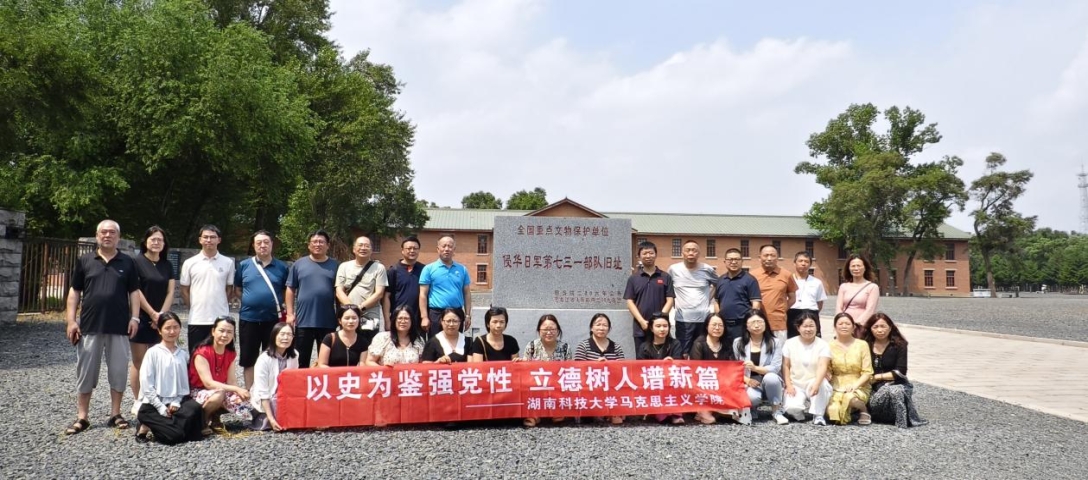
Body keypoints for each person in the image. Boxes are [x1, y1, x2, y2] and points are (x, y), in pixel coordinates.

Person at [64, 219, 141, 435]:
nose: (107, 235)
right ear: (97, 236)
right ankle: (82, 417)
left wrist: (135, 318)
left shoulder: (128, 262)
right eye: (103, 232)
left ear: (118, 237)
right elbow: (74, 292)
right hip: (89, 326)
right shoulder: (85, 261)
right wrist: (71, 320)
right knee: (85, 372)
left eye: (112, 232)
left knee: (118, 371)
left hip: (119, 326)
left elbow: (134, 292)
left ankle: (115, 414)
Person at [134, 312, 204, 445]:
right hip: (154, 404)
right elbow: (146, 383)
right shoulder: (153, 353)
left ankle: (159, 425)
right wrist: (160, 406)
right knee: (174, 437)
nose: (172, 331)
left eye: (175, 327)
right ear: (160, 330)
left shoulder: (183, 354)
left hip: (176, 403)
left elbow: (184, 384)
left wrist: (177, 401)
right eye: (167, 328)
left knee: (195, 412)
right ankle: (145, 426)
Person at [233, 230, 289, 388]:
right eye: (259, 243)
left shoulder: (282, 267)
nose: (262, 245)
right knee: (248, 358)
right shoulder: (244, 266)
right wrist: (250, 301)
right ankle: (251, 392)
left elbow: (286, 291)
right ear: (253, 245)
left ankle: (269, 391)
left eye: (266, 242)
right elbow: (238, 289)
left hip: (273, 319)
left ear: (272, 244)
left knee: (272, 357)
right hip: (248, 318)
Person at [131, 226, 175, 406]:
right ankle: (138, 400)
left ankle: (156, 399)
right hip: (141, 317)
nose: (156, 242)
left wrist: (161, 317)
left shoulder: (167, 265)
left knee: (158, 361)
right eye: (153, 239)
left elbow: (170, 292)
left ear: (164, 244)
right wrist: (152, 314)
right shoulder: (136, 262)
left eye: (160, 240)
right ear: (145, 241)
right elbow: (135, 290)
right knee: (140, 362)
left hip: (161, 321)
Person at [189, 316, 252, 434]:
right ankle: (202, 422)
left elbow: (232, 381)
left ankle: (215, 418)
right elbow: (208, 383)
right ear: (213, 331)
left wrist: (240, 393)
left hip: (219, 389)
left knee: (243, 399)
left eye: (229, 332)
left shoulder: (230, 353)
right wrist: (236, 389)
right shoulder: (202, 352)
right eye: (221, 331)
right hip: (199, 391)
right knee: (219, 395)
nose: (225, 335)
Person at [863, 313, 927, 428]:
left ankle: (901, 422)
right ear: (870, 329)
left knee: (895, 391)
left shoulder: (900, 345)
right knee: (886, 394)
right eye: (875, 327)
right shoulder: (864, 345)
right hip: (871, 388)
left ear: (890, 327)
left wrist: (876, 377)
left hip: (896, 383)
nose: (880, 330)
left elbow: (900, 371)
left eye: (883, 326)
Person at [286, 230, 339, 368]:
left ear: (328, 245)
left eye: (321, 242)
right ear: (309, 245)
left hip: (327, 321)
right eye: (314, 242)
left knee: (327, 361)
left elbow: (339, 292)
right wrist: (290, 314)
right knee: (301, 360)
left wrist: (340, 316)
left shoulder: (336, 266)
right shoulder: (299, 264)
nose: (318, 244)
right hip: (304, 321)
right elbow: (290, 289)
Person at [179, 224, 235, 352]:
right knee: (196, 355)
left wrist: (221, 304)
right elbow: (184, 290)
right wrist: (193, 307)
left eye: (212, 237)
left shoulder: (228, 262)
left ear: (219, 240)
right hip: (197, 318)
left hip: (220, 318)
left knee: (220, 355)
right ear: (200, 240)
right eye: (205, 237)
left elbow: (229, 288)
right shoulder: (190, 263)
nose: (209, 240)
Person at [732, 310, 787, 425]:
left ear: (765, 323)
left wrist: (755, 368)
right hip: (749, 381)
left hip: (769, 379)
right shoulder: (738, 343)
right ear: (746, 326)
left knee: (771, 377)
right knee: (752, 398)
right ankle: (752, 408)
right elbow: (735, 368)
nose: (756, 326)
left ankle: (776, 410)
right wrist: (747, 380)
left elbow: (775, 368)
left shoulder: (775, 342)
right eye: (752, 322)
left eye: (760, 322)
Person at [667, 240, 718, 357]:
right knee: (683, 353)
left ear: (699, 253)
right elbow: (667, 289)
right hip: (683, 320)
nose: (691, 253)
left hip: (703, 319)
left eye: (694, 250)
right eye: (688, 250)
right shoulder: (673, 269)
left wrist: (708, 298)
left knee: (701, 352)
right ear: (682, 253)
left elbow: (718, 284)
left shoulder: (707, 269)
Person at [781, 311, 833, 425]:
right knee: (791, 408)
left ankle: (818, 415)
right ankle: (798, 413)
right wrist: (788, 385)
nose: (808, 329)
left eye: (811, 326)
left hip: (813, 380)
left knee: (823, 384)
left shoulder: (823, 344)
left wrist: (817, 384)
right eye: (805, 326)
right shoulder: (789, 343)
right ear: (798, 328)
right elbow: (785, 365)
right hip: (796, 383)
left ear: (817, 327)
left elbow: (823, 365)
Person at [573, 313, 625, 425]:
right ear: (591, 328)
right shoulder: (583, 346)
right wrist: (595, 365)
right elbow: (578, 369)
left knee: (617, 421)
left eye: (605, 325)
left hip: (611, 387)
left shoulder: (616, 347)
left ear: (609, 329)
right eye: (598, 324)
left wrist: (610, 365)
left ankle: (610, 412)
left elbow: (622, 370)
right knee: (587, 421)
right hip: (589, 387)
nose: (601, 328)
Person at [623, 241, 675, 352]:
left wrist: (659, 320)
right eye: (644, 253)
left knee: (662, 358)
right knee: (641, 358)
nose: (648, 256)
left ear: (656, 255)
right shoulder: (633, 278)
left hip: (661, 328)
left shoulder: (665, 277)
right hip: (641, 328)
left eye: (651, 253)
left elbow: (670, 300)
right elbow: (630, 302)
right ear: (639, 256)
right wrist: (642, 321)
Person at [521, 314, 571, 428]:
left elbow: (569, 370)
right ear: (539, 330)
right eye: (545, 329)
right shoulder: (532, 346)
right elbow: (525, 370)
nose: (549, 332)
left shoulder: (565, 348)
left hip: (557, 387)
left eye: (552, 329)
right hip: (537, 387)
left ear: (558, 331)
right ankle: (534, 414)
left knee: (559, 417)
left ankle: (556, 411)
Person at [335, 236, 387, 342]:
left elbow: (379, 293)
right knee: (347, 344)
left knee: (369, 345)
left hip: (370, 317)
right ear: (354, 249)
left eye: (367, 246)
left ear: (371, 250)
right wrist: (352, 309)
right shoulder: (344, 266)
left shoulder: (379, 268)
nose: (363, 248)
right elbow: (339, 291)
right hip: (348, 316)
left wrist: (359, 308)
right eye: (360, 245)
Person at [250, 322, 299, 432]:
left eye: (289, 334)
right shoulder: (264, 359)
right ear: (274, 336)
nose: (285, 338)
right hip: (268, 396)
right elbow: (262, 391)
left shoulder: (295, 355)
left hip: (285, 395)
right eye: (282, 334)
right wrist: (271, 419)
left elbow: (294, 381)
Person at [419, 236, 472, 335]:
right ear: (438, 249)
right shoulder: (428, 269)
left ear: (454, 250)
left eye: (450, 246)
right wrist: (424, 317)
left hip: (456, 313)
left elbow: (467, 293)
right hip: (436, 314)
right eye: (444, 246)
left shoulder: (462, 269)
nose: (447, 249)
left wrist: (468, 315)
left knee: (456, 343)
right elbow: (423, 294)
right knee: (435, 342)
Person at [637, 313, 684, 425]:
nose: (662, 329)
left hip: (670, 379)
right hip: (652, 380)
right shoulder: (644, 346)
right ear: (651, 328)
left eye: (665, 326)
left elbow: (679, 362)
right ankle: (661, 413)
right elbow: (640, 367)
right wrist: (660, 365)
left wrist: (671, 362)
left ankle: (675, 414)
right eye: (658, 326)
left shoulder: (675, 343)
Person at [827, 312, 873, 425]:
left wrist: (855, 386)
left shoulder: (862, 345)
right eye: (840, 324)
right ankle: (850, 410)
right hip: (836, 385)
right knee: (833, 413)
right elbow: (827, 369)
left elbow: (867, 372)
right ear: (835, 327)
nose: (844, 326)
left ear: (853, 327)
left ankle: (863, 409)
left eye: (847, 324)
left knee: (851, 398)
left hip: (859, 384)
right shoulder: (829, 346)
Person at [690, 312, 734, 425]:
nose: (717, 328)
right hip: (704, 384)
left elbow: (732, 366)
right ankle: (705, 410)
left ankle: (715, 411)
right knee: (710, 420)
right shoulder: (699, 343)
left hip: (723, 383)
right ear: (706, 326)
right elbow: (694, 370)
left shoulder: (727, 343)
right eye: (714, 325)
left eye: (720, 325)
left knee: (734, 412)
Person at [714, 248, 762, 347]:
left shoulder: (750, 280)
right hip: (724, 325)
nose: (733, 262)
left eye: (737, 259)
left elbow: (756, 304)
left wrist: (751, 323)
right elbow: (716, 302)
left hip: (742, 325)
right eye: (730, 259)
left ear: (742, 261)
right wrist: (718, 318)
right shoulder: (721, 280)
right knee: (725, 352)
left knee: (741, 351)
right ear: (725, 262)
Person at [750, 244, 796, 341]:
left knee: (779, 349)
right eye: (766, 255)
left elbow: (792, 298)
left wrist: (781, 309)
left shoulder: (786, 275)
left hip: (778, 323)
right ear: (759, 258)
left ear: (777, 257)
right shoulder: (752, 276)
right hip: (757, 322)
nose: (769, 258)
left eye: (772, 255)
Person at [382, 236, 425, 332]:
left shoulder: (424, 270)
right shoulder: (393, 270)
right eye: (409, 248)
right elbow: (386, 297)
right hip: (398, 319)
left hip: (418, 320)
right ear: (402, 250)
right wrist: (387, 321)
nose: (412, 251)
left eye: (415, 248)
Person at [836, 254, 879, 338]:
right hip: (844, 325)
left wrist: (855, 325)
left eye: (859, 266)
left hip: (862, 326)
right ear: (849, 268)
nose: (856, 268)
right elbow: (839, 307)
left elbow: (870, 310)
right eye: (853, 266)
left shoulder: (872, 287)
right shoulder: (843, 286)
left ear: (865, 268)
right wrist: (840, 322)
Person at [787, 251, 827, 338]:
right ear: (794, 263)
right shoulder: (787, 280)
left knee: (813, 341)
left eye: (806, 261)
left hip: (811, 313)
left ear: (810, 264)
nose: (803, 264)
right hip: (792, 314)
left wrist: (811, 313)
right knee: (792, 340)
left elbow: (820, 303)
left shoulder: (817, 282)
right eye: (800, 261)